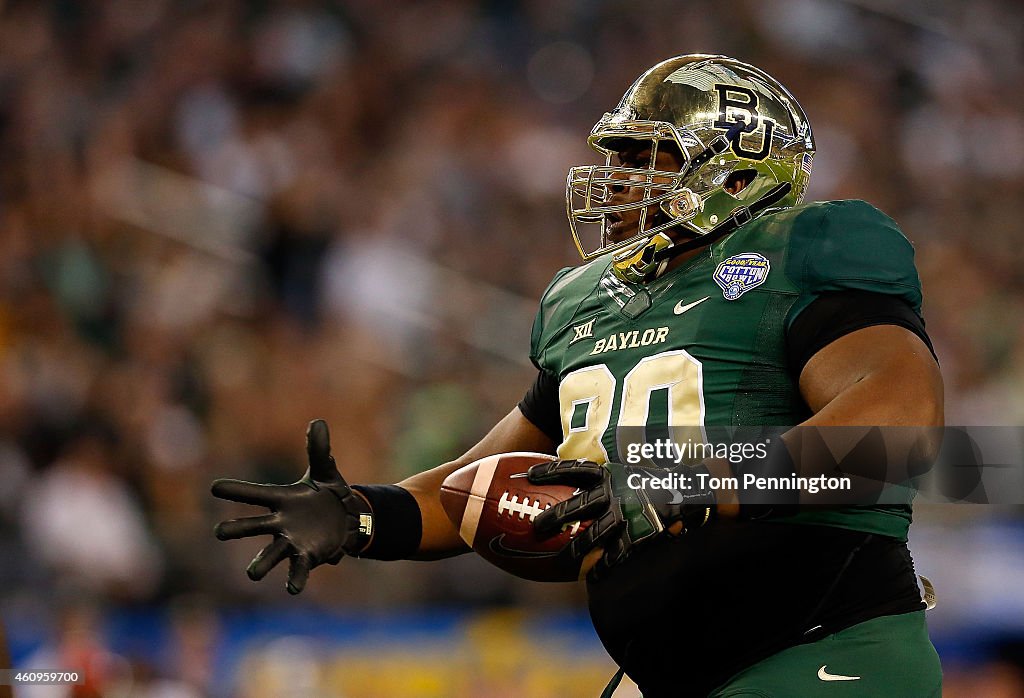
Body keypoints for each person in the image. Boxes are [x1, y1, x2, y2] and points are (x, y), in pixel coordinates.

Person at [212, 54, 944, 697]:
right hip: (668, 674)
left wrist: (680, 479)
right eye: (617, 156)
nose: (617, 179)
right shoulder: (585, 302)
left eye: (644, 157)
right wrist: (365, 516)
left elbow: (896, 434)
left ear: (739, 169)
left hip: (821, 651)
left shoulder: (807, 247)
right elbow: (485, 480)